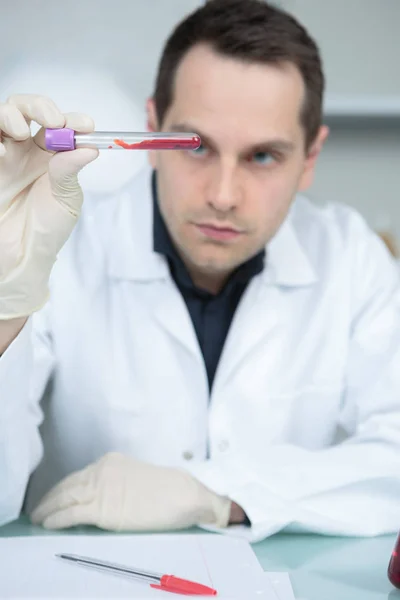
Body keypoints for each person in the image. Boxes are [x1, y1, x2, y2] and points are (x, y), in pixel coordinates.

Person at [1, 0, 400, 542]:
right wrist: (4, 302)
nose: (223, 195)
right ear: (151, 130)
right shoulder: (59, 248)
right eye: (195, 147)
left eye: (263, 157)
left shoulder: (350, 258)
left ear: (310, 157)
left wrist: (218, 494)